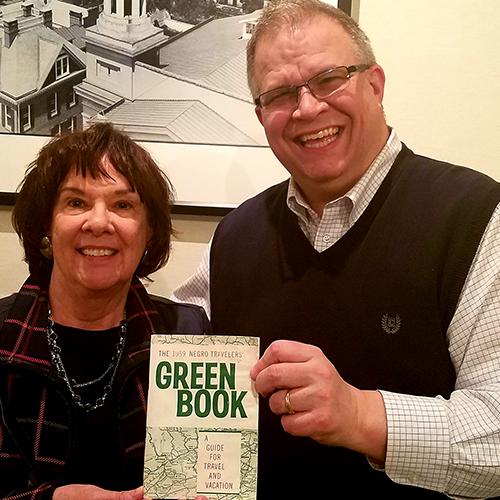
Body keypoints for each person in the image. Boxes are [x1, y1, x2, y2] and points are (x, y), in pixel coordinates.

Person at [173, 0, 500, 498]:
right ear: (262, 116)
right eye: (281, 93)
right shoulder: (234, 235)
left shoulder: (477, 217)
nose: (307, 108)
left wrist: (359, 415)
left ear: (375, 83)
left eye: (329, 78)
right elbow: (184, 365)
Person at [0, 123, 211, 500]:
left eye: (123, 205)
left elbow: (204, 480)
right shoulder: (2, 337)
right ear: (46, 226)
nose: (99, 222)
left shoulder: (188, 334)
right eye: (76, 202)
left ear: (148, 233)